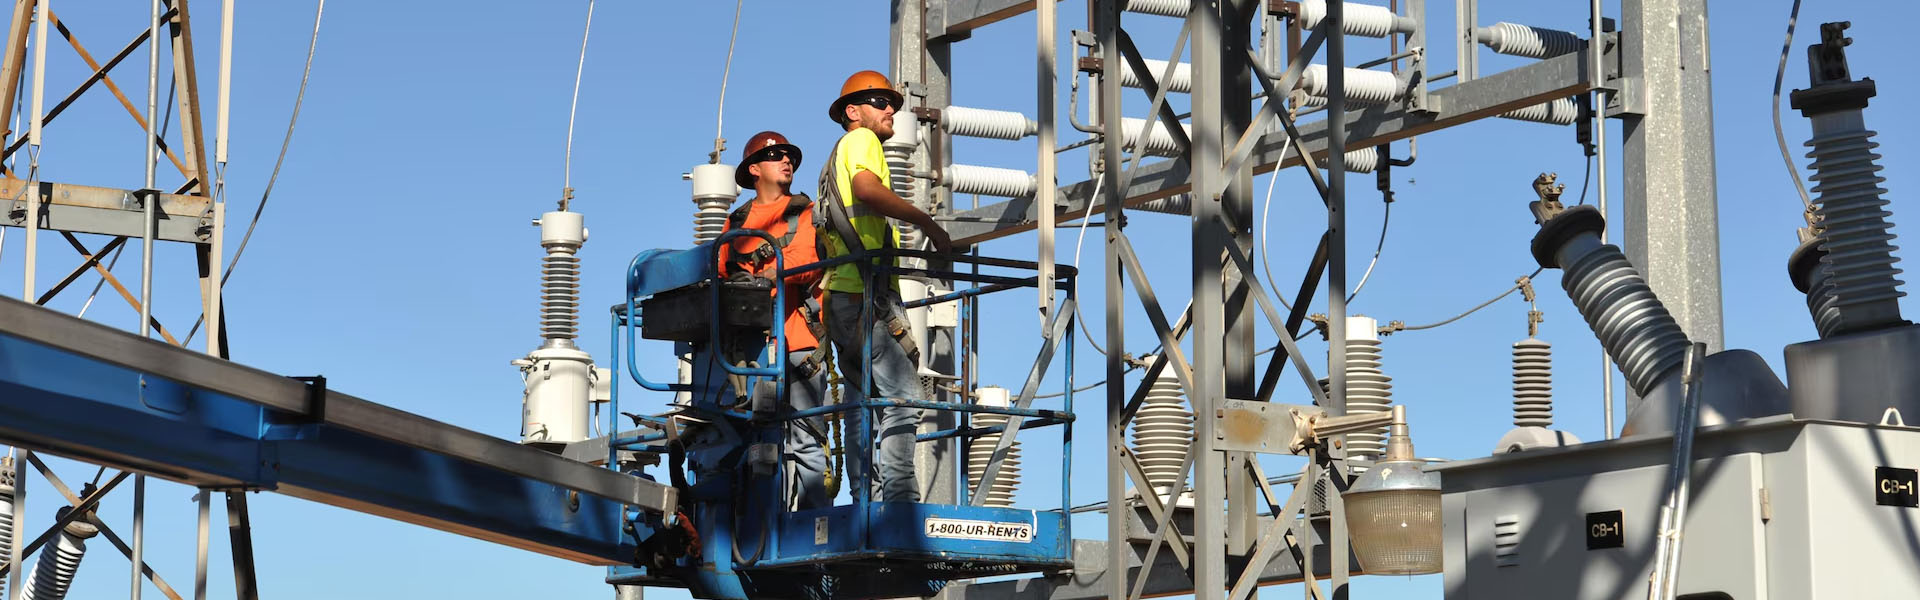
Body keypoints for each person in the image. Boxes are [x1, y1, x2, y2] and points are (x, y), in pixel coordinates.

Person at [815, 70, 954, 504]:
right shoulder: (862, 142)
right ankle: (898, 498)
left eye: (890, 101)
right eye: (878, 101)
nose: (890, 108)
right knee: (904, 396)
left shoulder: (837, 154)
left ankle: (866, 496)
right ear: (853, 112)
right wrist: (925, 220)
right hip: (863, 295)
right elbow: (866, 188)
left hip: (844, 294)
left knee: (863, 396)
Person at [719, 130, 832, 510]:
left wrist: (769, 274)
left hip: (797, 346)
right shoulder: (736, 222)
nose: (787, 161)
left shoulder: (803, 211)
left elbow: (806, 263)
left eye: (790, 156)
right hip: (750, 352)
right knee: (757, 444)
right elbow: (718, 274)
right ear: (754, 169)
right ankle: (766, 525)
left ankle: (817, 525)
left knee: (806, 441)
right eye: (776, 156)